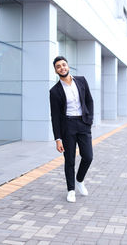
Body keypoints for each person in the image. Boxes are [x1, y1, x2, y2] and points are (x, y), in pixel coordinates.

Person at [49, 56, 93, 203]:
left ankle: (79, 180)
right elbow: (55, 116)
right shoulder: (55, 91)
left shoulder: (81, 81)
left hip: (83, 123)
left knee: (88, 157)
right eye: (58, 66)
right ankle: (71, 190)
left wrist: (89, 120)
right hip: (67, 126)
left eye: (64, 65)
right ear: (56, 71)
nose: (62, 68)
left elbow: (89, 101)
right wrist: (58, 139)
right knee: (70, 160)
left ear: (68, 66)